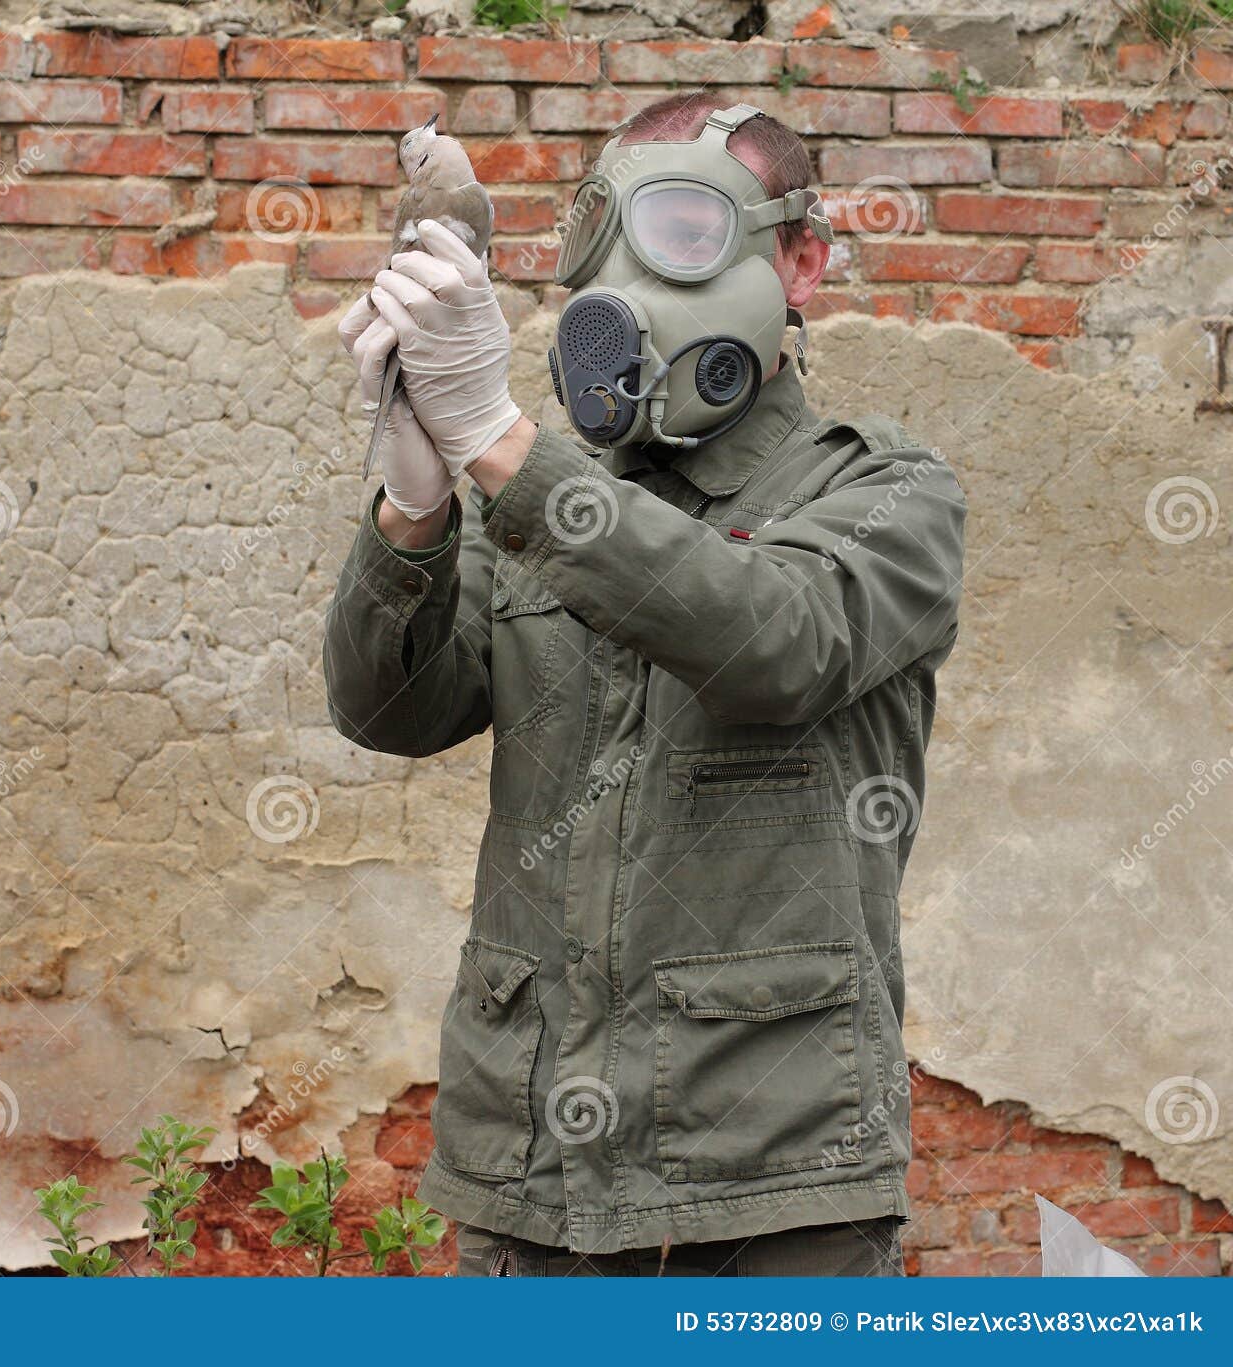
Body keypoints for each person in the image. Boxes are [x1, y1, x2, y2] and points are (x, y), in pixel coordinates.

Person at [323, 94, 967, 1277]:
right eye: (602, 242)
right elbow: (386, 711)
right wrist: (415, 504)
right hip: (532, 1173)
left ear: (802, 262)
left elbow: (777, 643)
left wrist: (501, 441)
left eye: (681, 234)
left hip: (769, 1190)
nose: (625, 287)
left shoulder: (884, 491)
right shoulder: (536, 498)